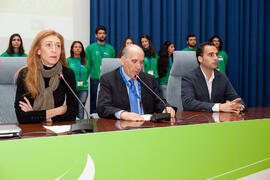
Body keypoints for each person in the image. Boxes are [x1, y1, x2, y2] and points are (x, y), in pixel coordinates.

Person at [97, 44, 175, 121]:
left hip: (146, 126)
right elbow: (103, 107)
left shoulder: (148, 80)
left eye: (141, 62)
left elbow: (159, 102)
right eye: (134, 61)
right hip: (122, 128)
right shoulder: (108, 79)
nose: (139, 66)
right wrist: (123, 114)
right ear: (123, 61)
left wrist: (166, 108)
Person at [14, 30, 78, 123]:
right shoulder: (26, 74)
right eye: (49, 45)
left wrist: (35, 115)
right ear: (38, 50)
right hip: (30, 133)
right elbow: (22, 117)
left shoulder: (66, 74)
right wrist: (58, 111)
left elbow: (72, 113)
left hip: (58, 132)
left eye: (58, 46)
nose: (54, 50)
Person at [181, 42, 247, 113]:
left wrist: (238, 106)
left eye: (216, 54)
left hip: (218, 121)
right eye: (211, 55)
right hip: (197, 121)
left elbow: (236, 99)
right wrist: (219, 107)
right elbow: (188, 103)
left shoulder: (222, 77)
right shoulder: (189, 77)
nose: (216, 58)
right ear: (200, 59)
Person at [85, 25, 115, 114]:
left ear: (105, 35)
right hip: (95, 79)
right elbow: (87, 63)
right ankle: (94, 120)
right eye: (100, 33)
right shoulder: (90, 48)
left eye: (103, 33)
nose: (102, 35)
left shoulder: (111, 48)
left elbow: (113, 64)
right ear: (96, 35)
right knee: (94, 102)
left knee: (107, 101)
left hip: (108, 80)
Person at [67, 41, 89, 119]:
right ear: (72, 49)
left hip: (83, 88)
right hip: (72, 88)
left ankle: (80, 127)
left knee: (81, 108)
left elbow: (87, 73)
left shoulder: (86, 61)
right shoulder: (68, 60)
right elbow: (66, 74)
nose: (78, 48)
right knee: (72, 107)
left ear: (82, 49)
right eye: (75, 47)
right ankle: (72, 124)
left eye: (79, 47)